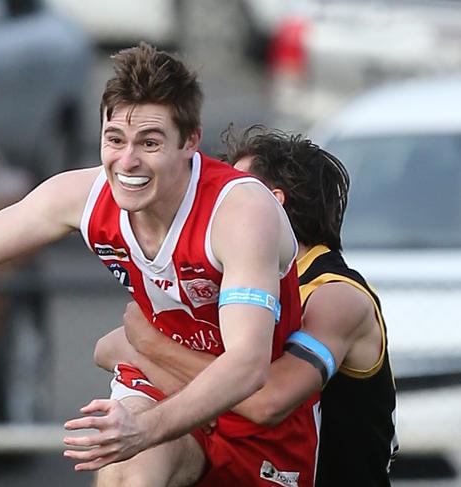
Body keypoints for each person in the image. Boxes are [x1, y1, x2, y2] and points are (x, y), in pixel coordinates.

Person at [0, 44, 319, 486]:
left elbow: (246, 365)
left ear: (190, 142)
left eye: (149, 142)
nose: (127, 163)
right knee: (127, 471)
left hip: (253, 421)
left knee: (139, 438)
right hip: (157, 382)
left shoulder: (239, 211)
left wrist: (146, 427)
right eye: (114, 140)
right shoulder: (85, 196)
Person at [95, 125, 399, 486]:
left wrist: (155, 349)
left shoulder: (335, 296)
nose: (210, 202)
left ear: (271, 202)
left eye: (229, 189)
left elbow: (265, 401)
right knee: (131, 462)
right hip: (249, 469)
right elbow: (108, 347)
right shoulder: (239, 282)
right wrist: (203, 396)